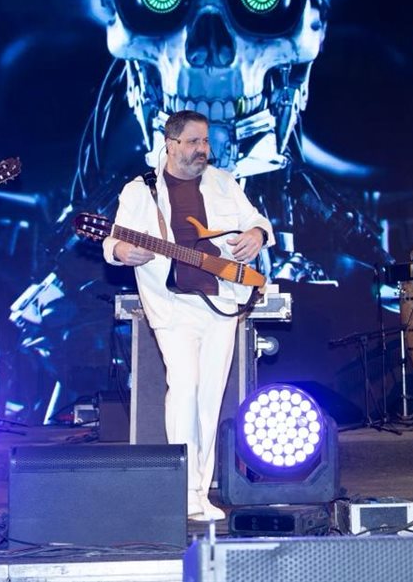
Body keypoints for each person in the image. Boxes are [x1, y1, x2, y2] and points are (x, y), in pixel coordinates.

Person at [104, 110, 273, 521]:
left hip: (222, 304)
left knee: (209, 399)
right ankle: (182, 490)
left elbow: (257, 221)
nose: (203, 149)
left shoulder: (223, 182)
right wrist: (124, 251)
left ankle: (201, 490)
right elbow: (112, 241)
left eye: (206, 142)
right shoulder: (140, 191)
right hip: (174, 307)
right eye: (194, 142)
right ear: (171, 144)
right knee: (184, 387)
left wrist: (256, 235)